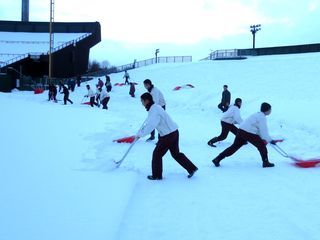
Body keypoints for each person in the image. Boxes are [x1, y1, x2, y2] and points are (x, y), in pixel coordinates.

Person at [136, 92, 198, 180]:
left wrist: (140, 135)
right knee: (176, 154)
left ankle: (156, 175)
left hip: (167, 135)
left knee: (157, 154)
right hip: (174, 132)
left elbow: (151, 125)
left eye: (142, 101)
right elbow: (151, 122)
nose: (141, 103)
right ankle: (191, 168)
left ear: (147, 101)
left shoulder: (154, 110)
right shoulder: (156, 107)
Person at [212, 102, 277, 168]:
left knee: (233, 147)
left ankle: (217, 159)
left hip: (241, 131)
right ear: (267, 110)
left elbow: (258, 129)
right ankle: (265, 162)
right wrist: (270, 140)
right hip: (248, 133)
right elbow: (264, 131)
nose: (270, 111)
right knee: (262, 146)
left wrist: (264, 138)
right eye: (270, 109)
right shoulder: (262, 117)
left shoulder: (256, 114)